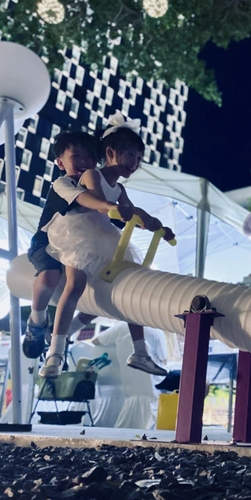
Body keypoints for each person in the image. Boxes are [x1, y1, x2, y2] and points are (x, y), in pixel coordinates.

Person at [38, 114, 175, 379]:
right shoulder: (92, 174)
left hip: (104, 236)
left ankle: (140, 352)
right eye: (131, 155)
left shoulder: (120, 189)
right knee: (75, 285)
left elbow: (133, 211)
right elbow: (98, 202)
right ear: (110, 153)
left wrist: (156, 225)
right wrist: (117, 209)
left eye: (139, 158)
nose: (135, 163)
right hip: (78, 232)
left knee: (129, 287)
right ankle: (55, 352)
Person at [22, 131, 103, 359]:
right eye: (76, 156)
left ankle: (67, 331)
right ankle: (36, 321)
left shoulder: (99, 187)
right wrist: (106, 204)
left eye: (90, 157)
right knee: (50, 276)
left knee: (103, 294)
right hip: (47, 243)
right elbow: (84, 202)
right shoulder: (63, 184)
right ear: (60, 163)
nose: (84, 161)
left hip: (80, 248)